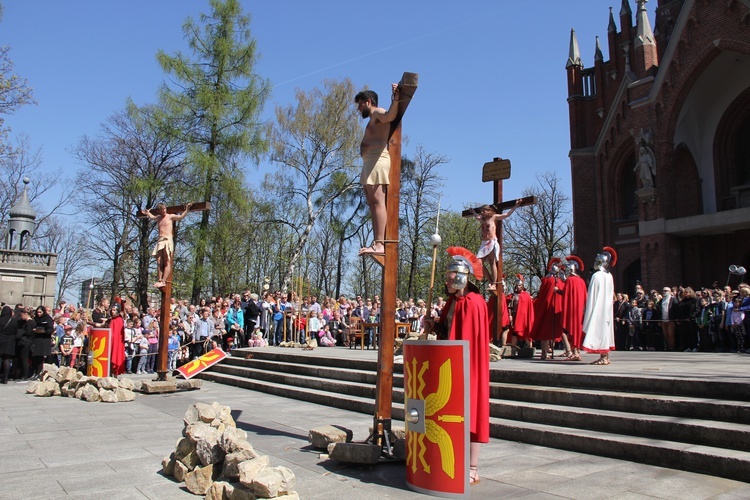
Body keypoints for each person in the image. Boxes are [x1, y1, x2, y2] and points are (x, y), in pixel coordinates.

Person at [424, 247, 489, 486]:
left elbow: (468, 339)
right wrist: (434, 325)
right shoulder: (453, 301)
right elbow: (449, 331)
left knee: (470, 412)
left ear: (462, 276)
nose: (447, 281)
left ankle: (472, 467)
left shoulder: (473, 302)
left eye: (451, 277)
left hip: (468, 367)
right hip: (451, 365)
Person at [354, 85, 400, 256]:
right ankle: (377, 242)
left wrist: (395, 99)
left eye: (360, 104)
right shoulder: (372, 118)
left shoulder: (376, 112)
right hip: (370, 162)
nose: (359, 109)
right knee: (373, 204)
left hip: (377, 160)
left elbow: (390, 115)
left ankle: (380, 244)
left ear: (368, 101)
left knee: (378, 202)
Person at [472, 199, 521, 290]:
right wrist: (473, 212)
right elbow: (476, 216)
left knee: (492, 262)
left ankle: (494, 283)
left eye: (484, 210)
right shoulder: (482, 219)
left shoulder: (493, 217)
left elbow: (506, 215)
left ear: (488, 210)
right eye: (481, 211)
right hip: (484, 243)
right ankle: (490, 280)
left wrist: (515, 206)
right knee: (478, 263)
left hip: (491, 241)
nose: (482, 212)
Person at [142, 202, 192, 288]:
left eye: (165, 209)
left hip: (168, 240)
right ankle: (160, 280)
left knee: (167, 261)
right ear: (159, 211)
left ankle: (164, 281)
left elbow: (180, 217)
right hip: (160, 240)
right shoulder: (158, 218)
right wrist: (147, 212)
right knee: (159, 261)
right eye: (162, 209)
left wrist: (186, 210)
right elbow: (152, 217)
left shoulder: (170, 216)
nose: (164, 211)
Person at [582, 246, 617, 365]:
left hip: (598, 308)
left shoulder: (597, 276)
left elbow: (592, 295)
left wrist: (589, 309)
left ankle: (604, 357)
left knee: (599, 330)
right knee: (605, 331)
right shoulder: (609, 276)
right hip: (606, 309)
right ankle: (605, 356)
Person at [530, 258, 565, 359]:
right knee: (548, 331)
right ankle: (546, 352)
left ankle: (544, 353)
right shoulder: (553, 281)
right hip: (553, 308)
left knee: (546, 331)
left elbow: (542, 295)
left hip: (549, 308)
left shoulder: (548, 280)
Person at [560, 255, 587, 361]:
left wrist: (558, 291)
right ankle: (576, 351)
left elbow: (566, 294)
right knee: (577, 330)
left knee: (564, 331)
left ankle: (572, 352)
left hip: (571, 310)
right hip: (580, 311)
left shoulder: (569, 281)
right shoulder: (581, 281)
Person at [31, 306, 54, 379]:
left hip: (44, 340)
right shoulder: (35, 319)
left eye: (40, 312)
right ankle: (34, 372)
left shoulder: (48, 319)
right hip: (36, 339)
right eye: (37, 312)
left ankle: (39, 372)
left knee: (40, 357)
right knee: (35, 357)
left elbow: (50, 330)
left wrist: (42, 331)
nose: (38, 314)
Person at [0, 305, 18, 384]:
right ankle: (6, 378)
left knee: (0, 358)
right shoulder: (13, 321)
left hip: (1, 340)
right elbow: (16, 331)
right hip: (10, 341)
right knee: (7, 359)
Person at [108, 305, 126, 376]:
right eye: (112, 310)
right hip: (111, 340)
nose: (113, 311)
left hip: (116, 341)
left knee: (116, 354)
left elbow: (118, 333)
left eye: (114, 310)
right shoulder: (111, 319)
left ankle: (115, 373)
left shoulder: (119, 320)